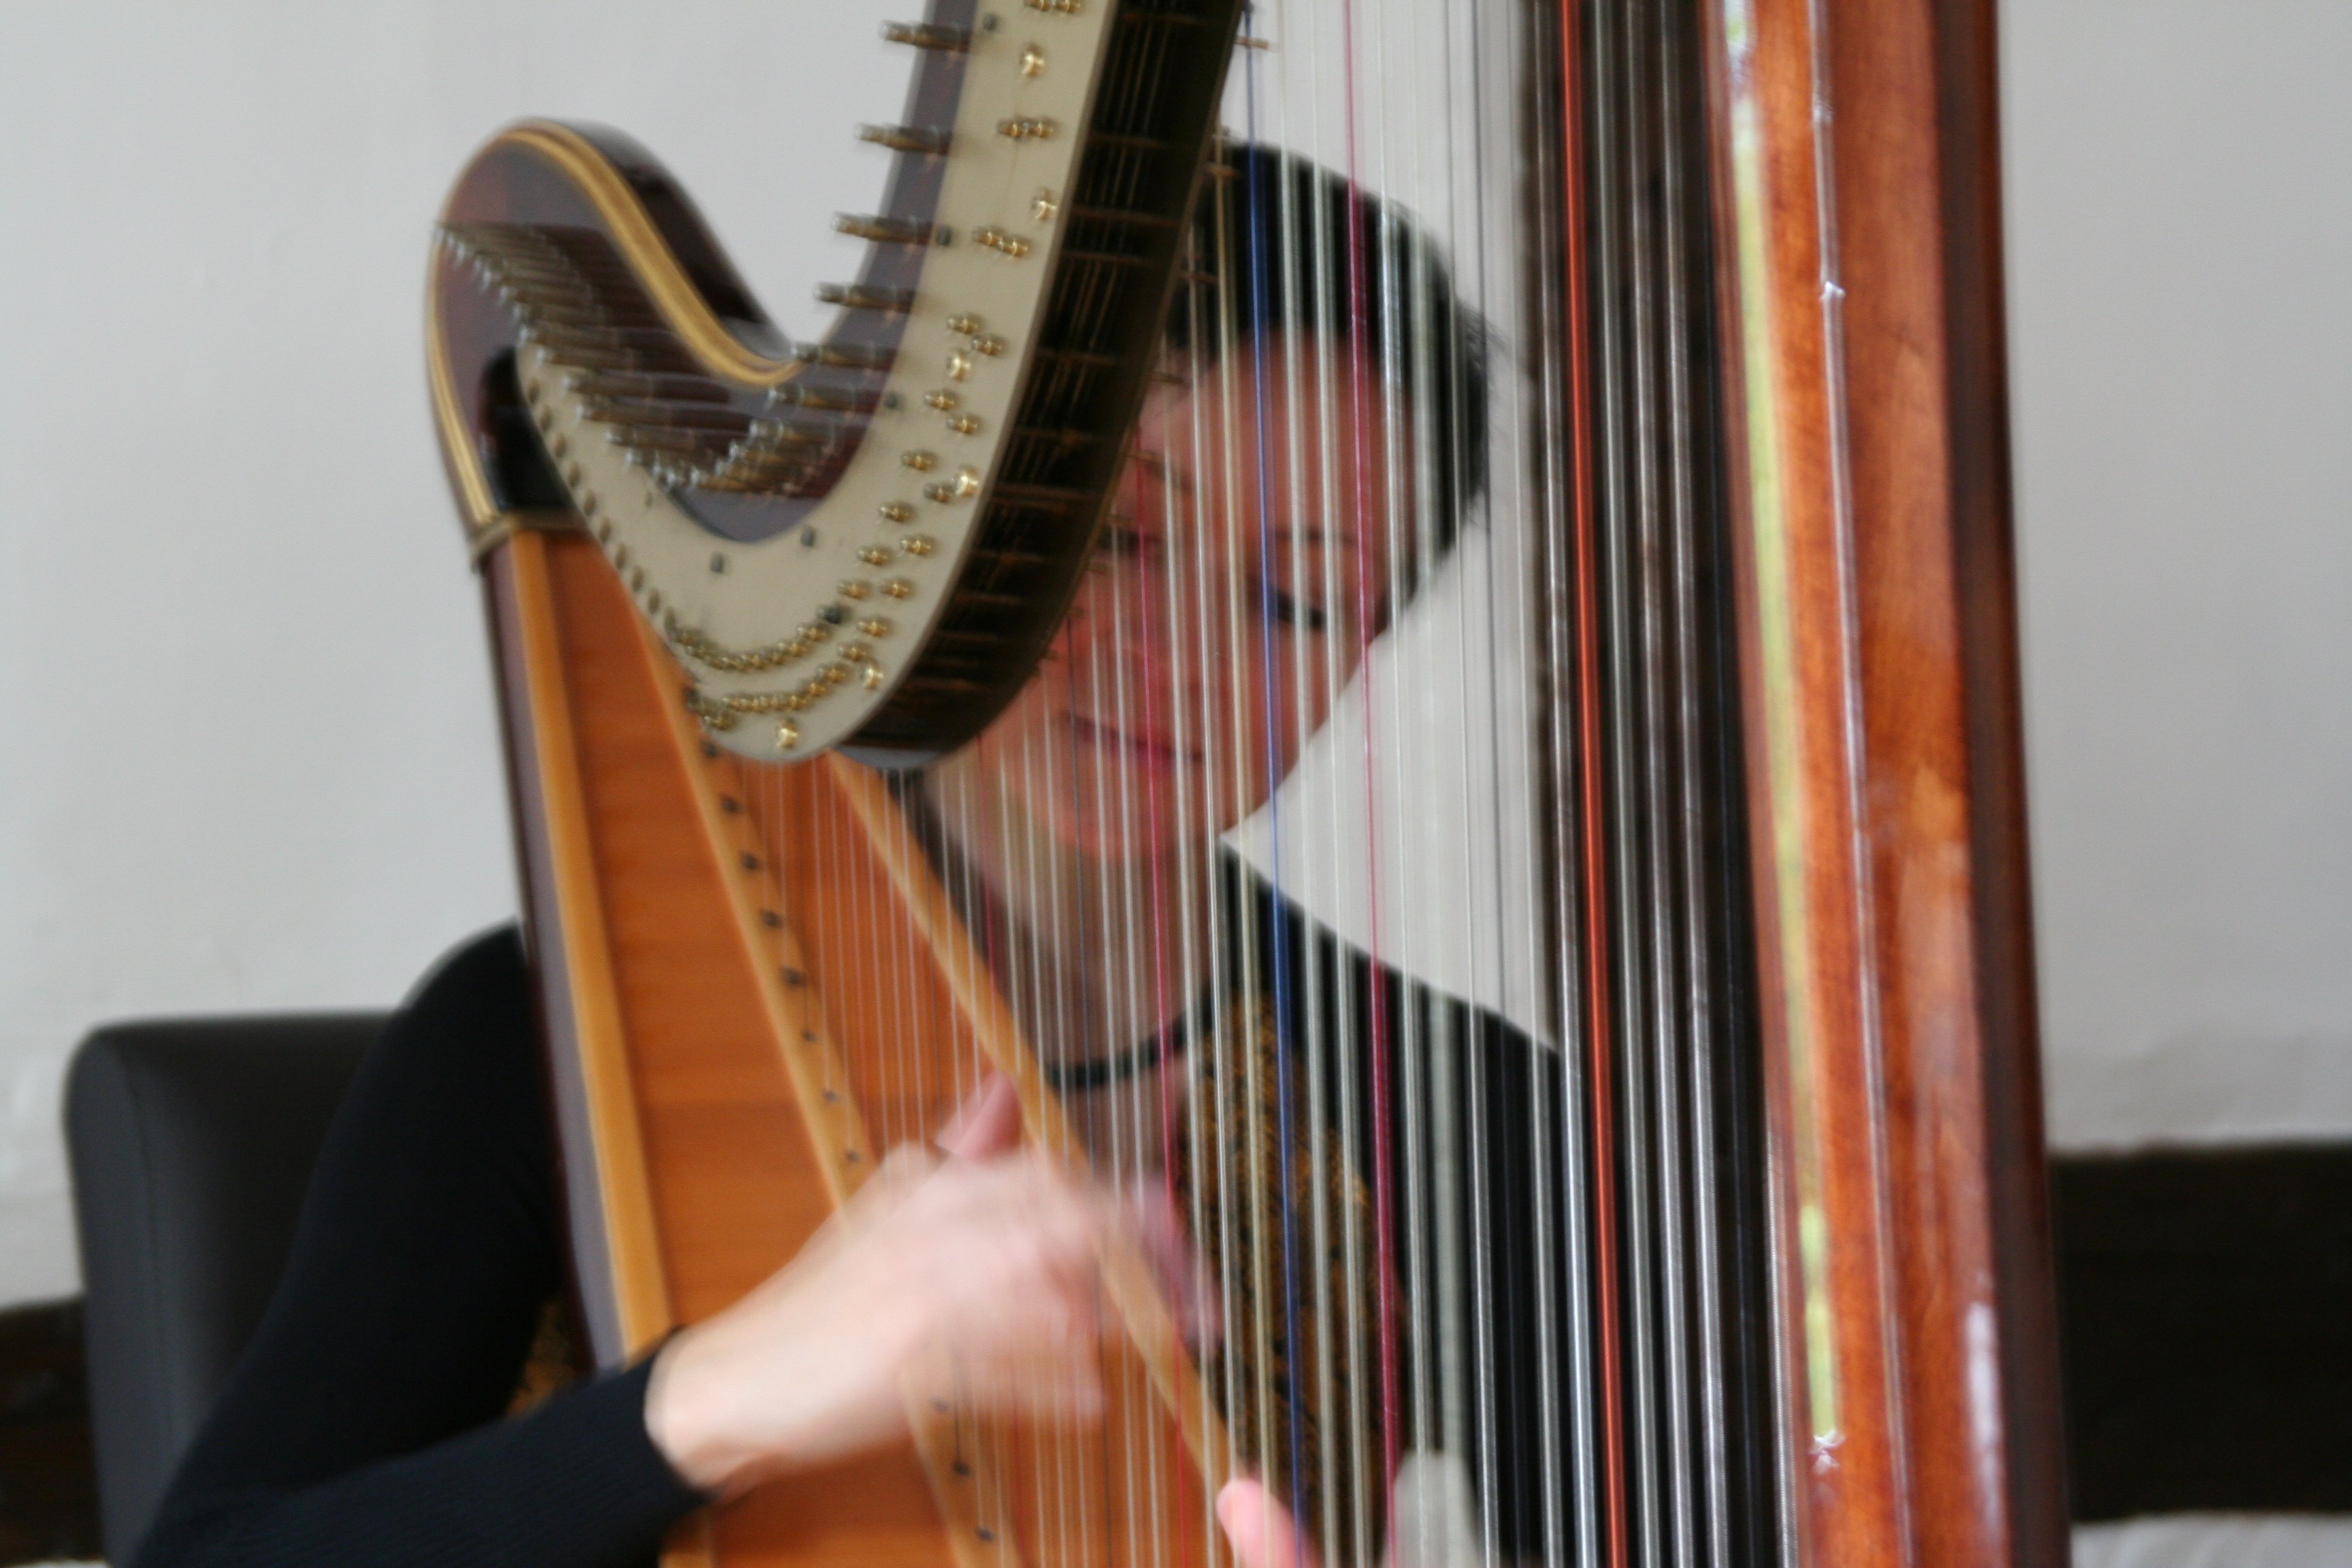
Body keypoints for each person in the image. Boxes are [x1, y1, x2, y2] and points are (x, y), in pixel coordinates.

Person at [137, 144, 1519, 1568]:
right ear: (964, 532)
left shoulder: (1459, 1104)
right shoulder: (540, 1036)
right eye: (1115, 539)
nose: (1184, 664)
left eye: (1297, 596)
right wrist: (727, 1393)